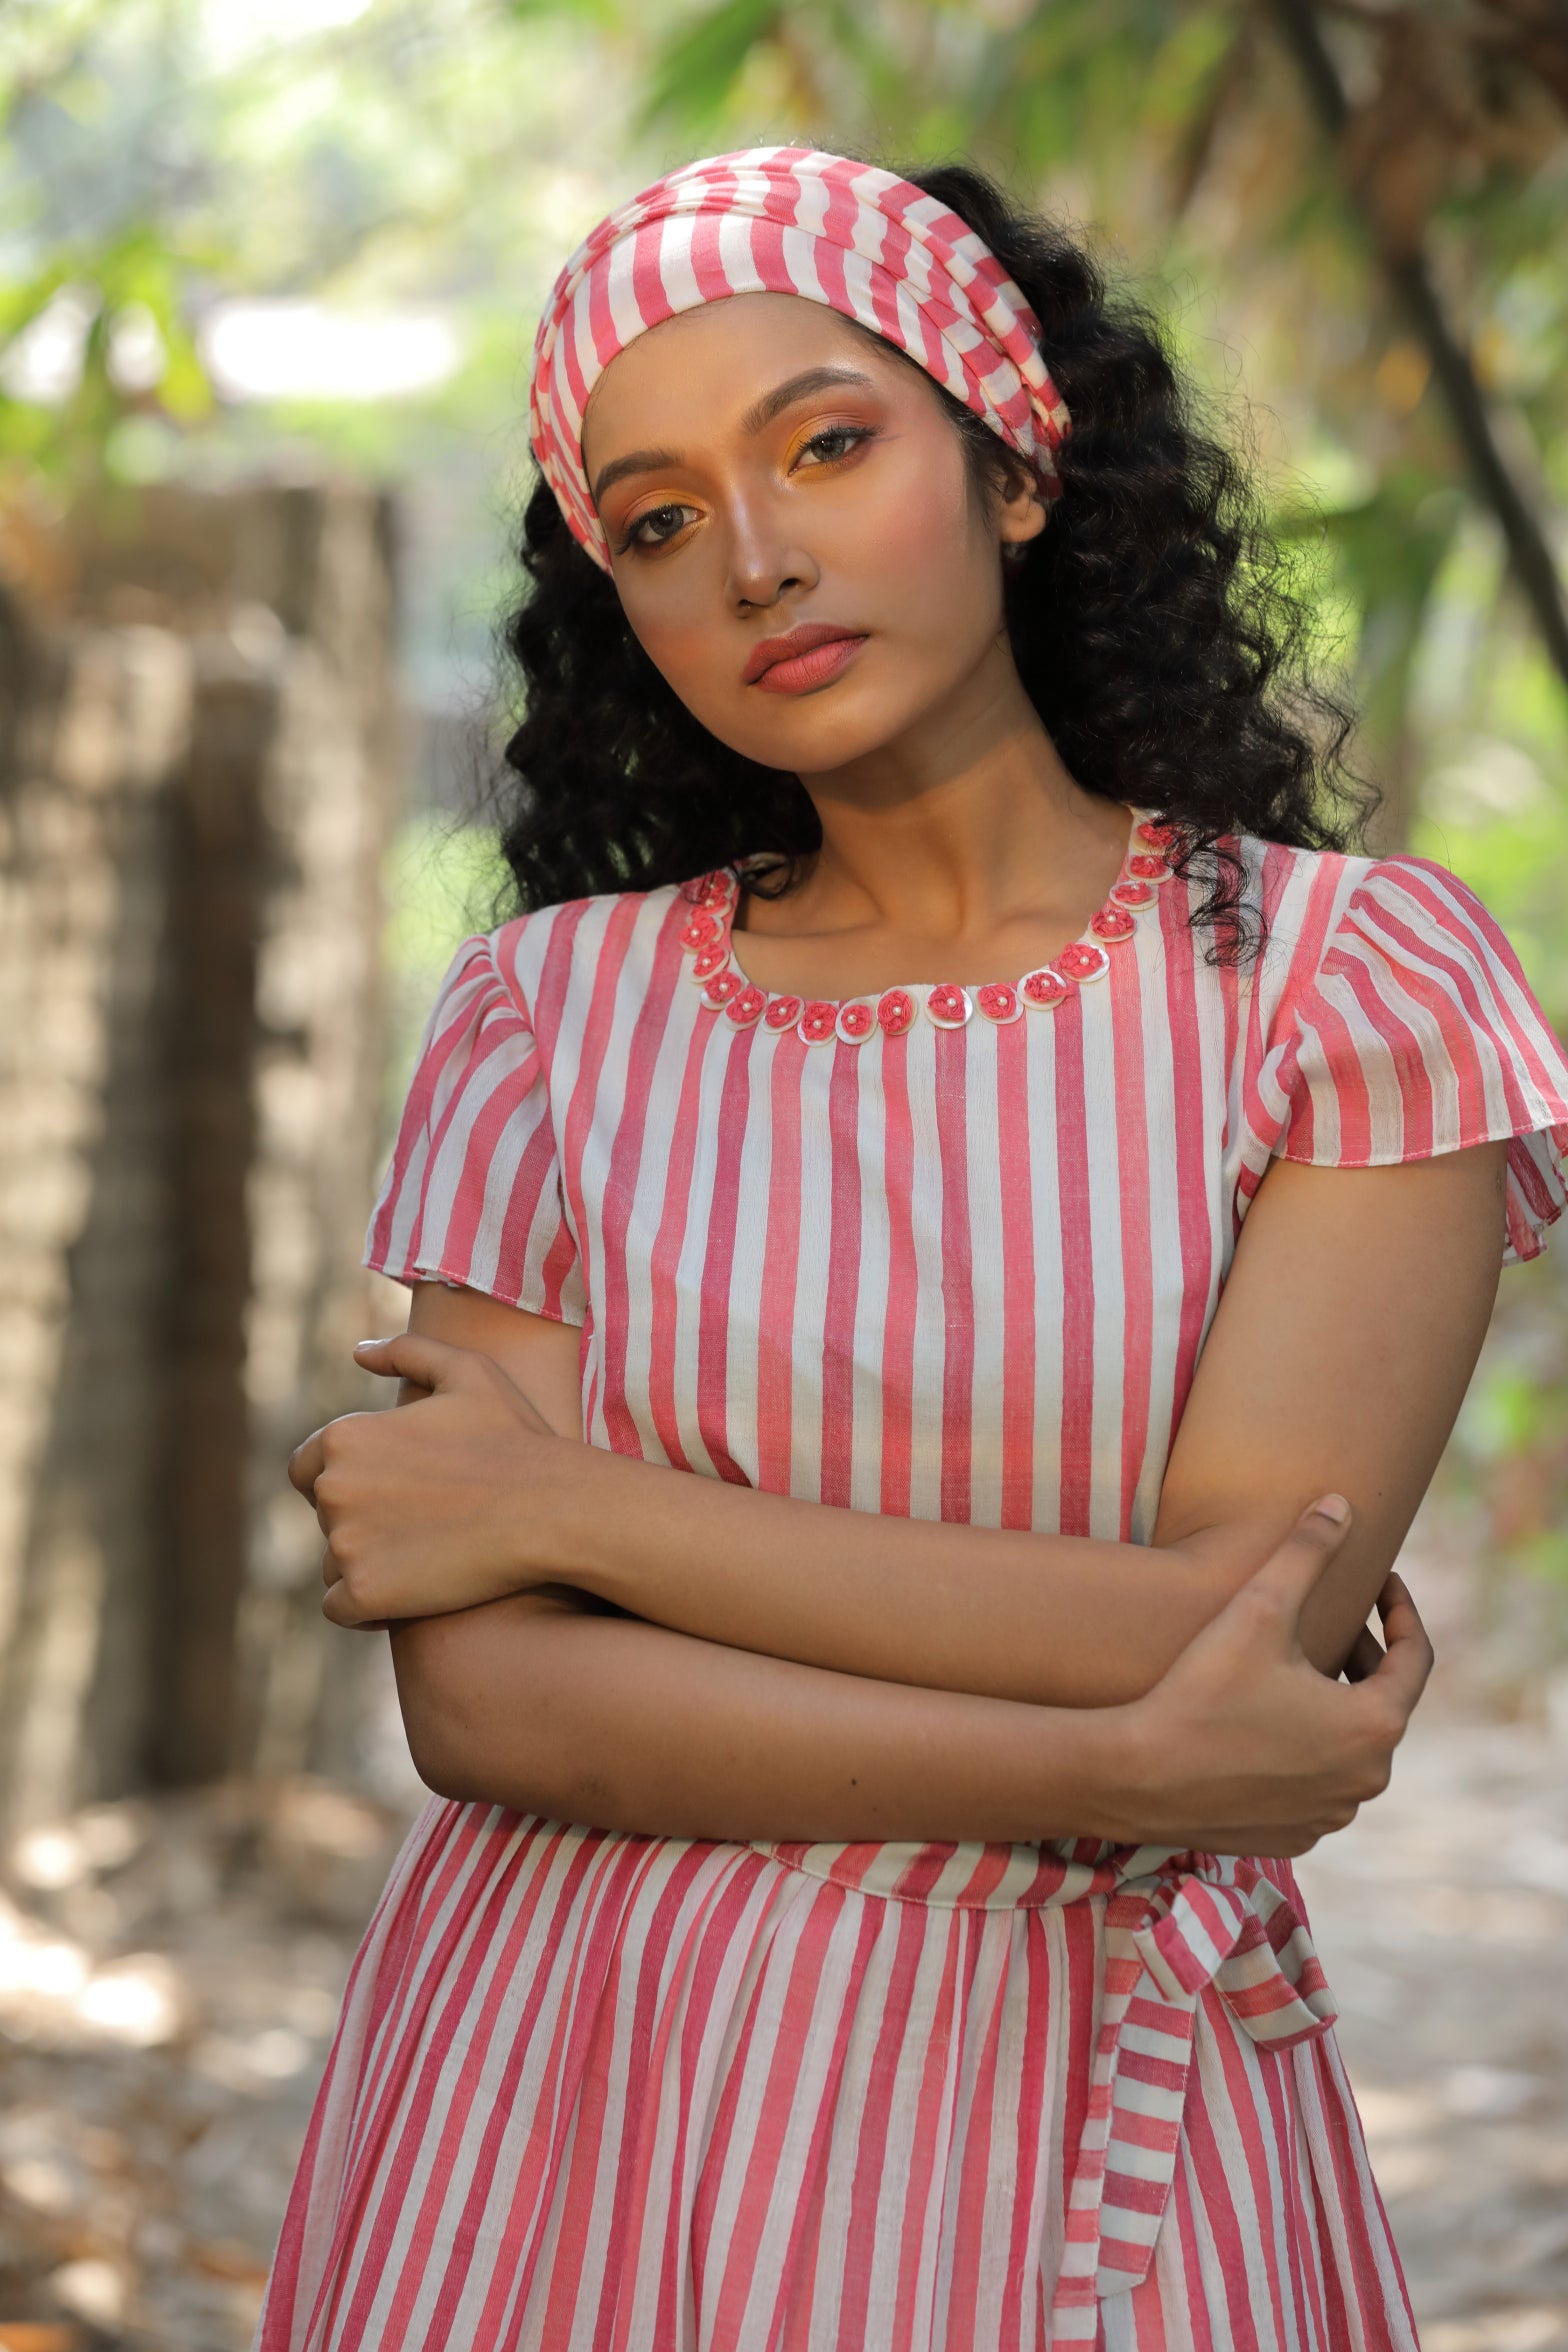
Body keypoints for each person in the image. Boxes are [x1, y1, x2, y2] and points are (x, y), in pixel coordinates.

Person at [257, 147, 1568, 2350]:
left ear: (1012, 459)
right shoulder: (543, 1021)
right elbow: (490, 1701)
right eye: (658, 524)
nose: (755, 560)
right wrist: (1106, 1774)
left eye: (827, 445)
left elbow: (1234, 1623)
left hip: (1085, 2102)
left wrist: (566, 1509)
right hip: (561, 2112)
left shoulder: (1346, 988)